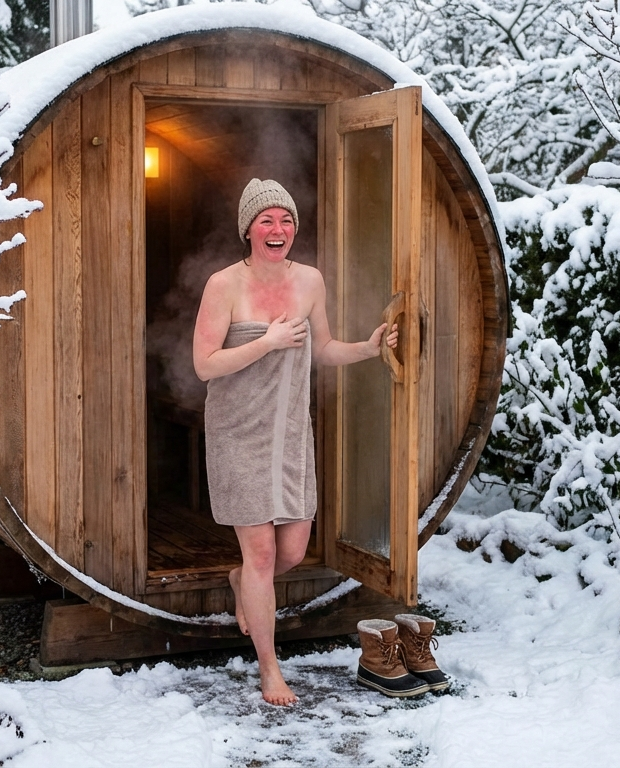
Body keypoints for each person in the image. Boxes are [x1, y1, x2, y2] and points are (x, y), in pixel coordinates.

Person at [193, 178, 397, 706]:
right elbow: (204, 365)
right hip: (238, 433)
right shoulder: (224, 286)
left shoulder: (310, 281)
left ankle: (241, 580)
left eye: (285, 220)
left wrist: (369, 349)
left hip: (289, 435)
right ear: (248, 229)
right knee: (262, 553)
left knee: (292, 550)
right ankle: (269, 669)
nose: (277, 229)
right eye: (266, 220)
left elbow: (323, 349)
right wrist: (268, 341)